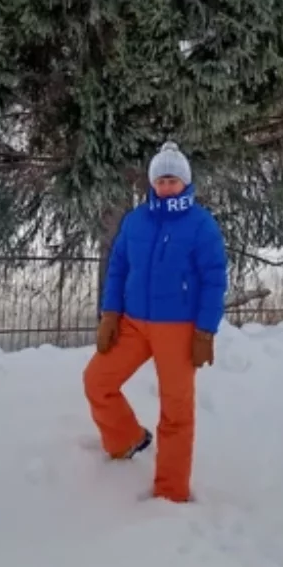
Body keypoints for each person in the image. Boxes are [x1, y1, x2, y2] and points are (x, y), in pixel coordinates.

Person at [84, 141, 229, 503]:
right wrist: (110, 314)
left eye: (172, 179)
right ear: (152, 182)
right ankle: (126, 438)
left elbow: (214, 278)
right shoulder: (136, 221)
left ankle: (171, 491)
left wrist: (205, 330)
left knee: (176, 412)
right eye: (160, 179)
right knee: (97, 380)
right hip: (133, 323)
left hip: (178, 329)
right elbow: (118, 268)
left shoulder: (200, 225)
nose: (166, 185)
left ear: (185, 183)